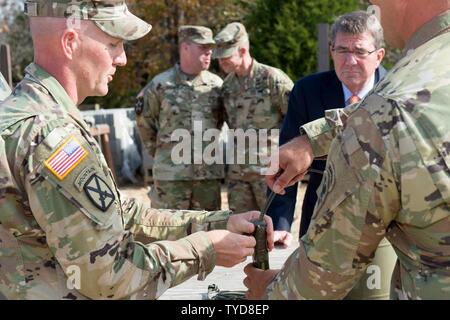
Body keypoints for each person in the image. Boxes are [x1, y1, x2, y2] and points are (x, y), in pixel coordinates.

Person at [0, 0, 274, 300]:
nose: (123, 59)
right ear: (70, 42)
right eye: (114, 44)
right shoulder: (51, 137)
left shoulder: (23, 116)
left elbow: (117, 215)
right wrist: (205, 249)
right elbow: (110, 279)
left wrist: (216, 223)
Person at [244, 0, 450, 299]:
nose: (374, 4)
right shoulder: (413, 88)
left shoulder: (394, 102)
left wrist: (270, 291)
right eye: (342, 51)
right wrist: (313, 139)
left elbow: (319, 283)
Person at [267, 11, 386, 238]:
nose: (350, 61)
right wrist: (280, 224)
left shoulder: (396, 93)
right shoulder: (307, 91)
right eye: (342, 50)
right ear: (332, 51)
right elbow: (286, 161)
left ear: (379, 56)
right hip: (321, 218)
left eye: (360, 51)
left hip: (384, 221)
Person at [135, 25, 225, 211]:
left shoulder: (217, 85)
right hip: (171, 179)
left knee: (209, 233)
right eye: (202, 47)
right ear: (185, 47)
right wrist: (166, 155)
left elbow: (222, 121)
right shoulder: (160, 85)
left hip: (206, 179)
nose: (209, 53)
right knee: (169, 232)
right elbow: (145, 125)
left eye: (210, 48)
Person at [214, 22, 294, 214]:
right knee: (242, 234)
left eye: (226, 57)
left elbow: (295, 121)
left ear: (242, 51)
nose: (221, 62)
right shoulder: (227, 87)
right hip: (239, 177)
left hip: (269, 173)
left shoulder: (272, 79)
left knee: (274, 231)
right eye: (219, 58)